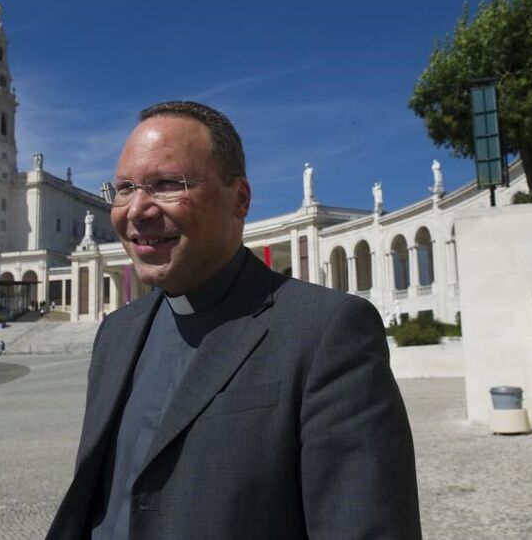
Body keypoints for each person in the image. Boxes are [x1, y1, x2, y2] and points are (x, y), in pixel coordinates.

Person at [47, 101, 420, 539]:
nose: (136, 210)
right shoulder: (116, 334)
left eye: (167, 184)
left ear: (239, 199)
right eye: (124, 188)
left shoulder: (325, 332)